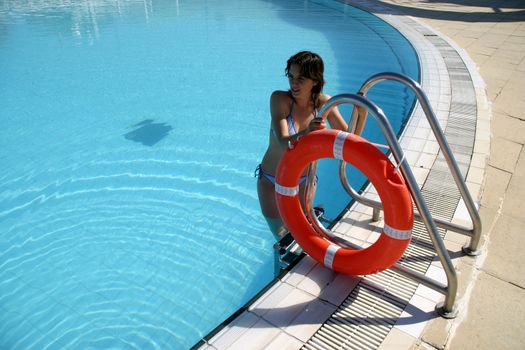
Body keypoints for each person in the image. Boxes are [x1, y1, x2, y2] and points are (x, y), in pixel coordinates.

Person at [256, 51, 368, 239]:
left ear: (315, 80)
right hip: (271, 180)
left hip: (303, 182)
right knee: (282, 237)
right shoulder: (279, 100)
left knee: (301, 235)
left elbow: (349, 141)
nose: (294, 83)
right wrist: (306, 132)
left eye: (301, 78)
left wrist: (362, 114)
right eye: (291, 76)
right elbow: (284, 143)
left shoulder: (323, 103)